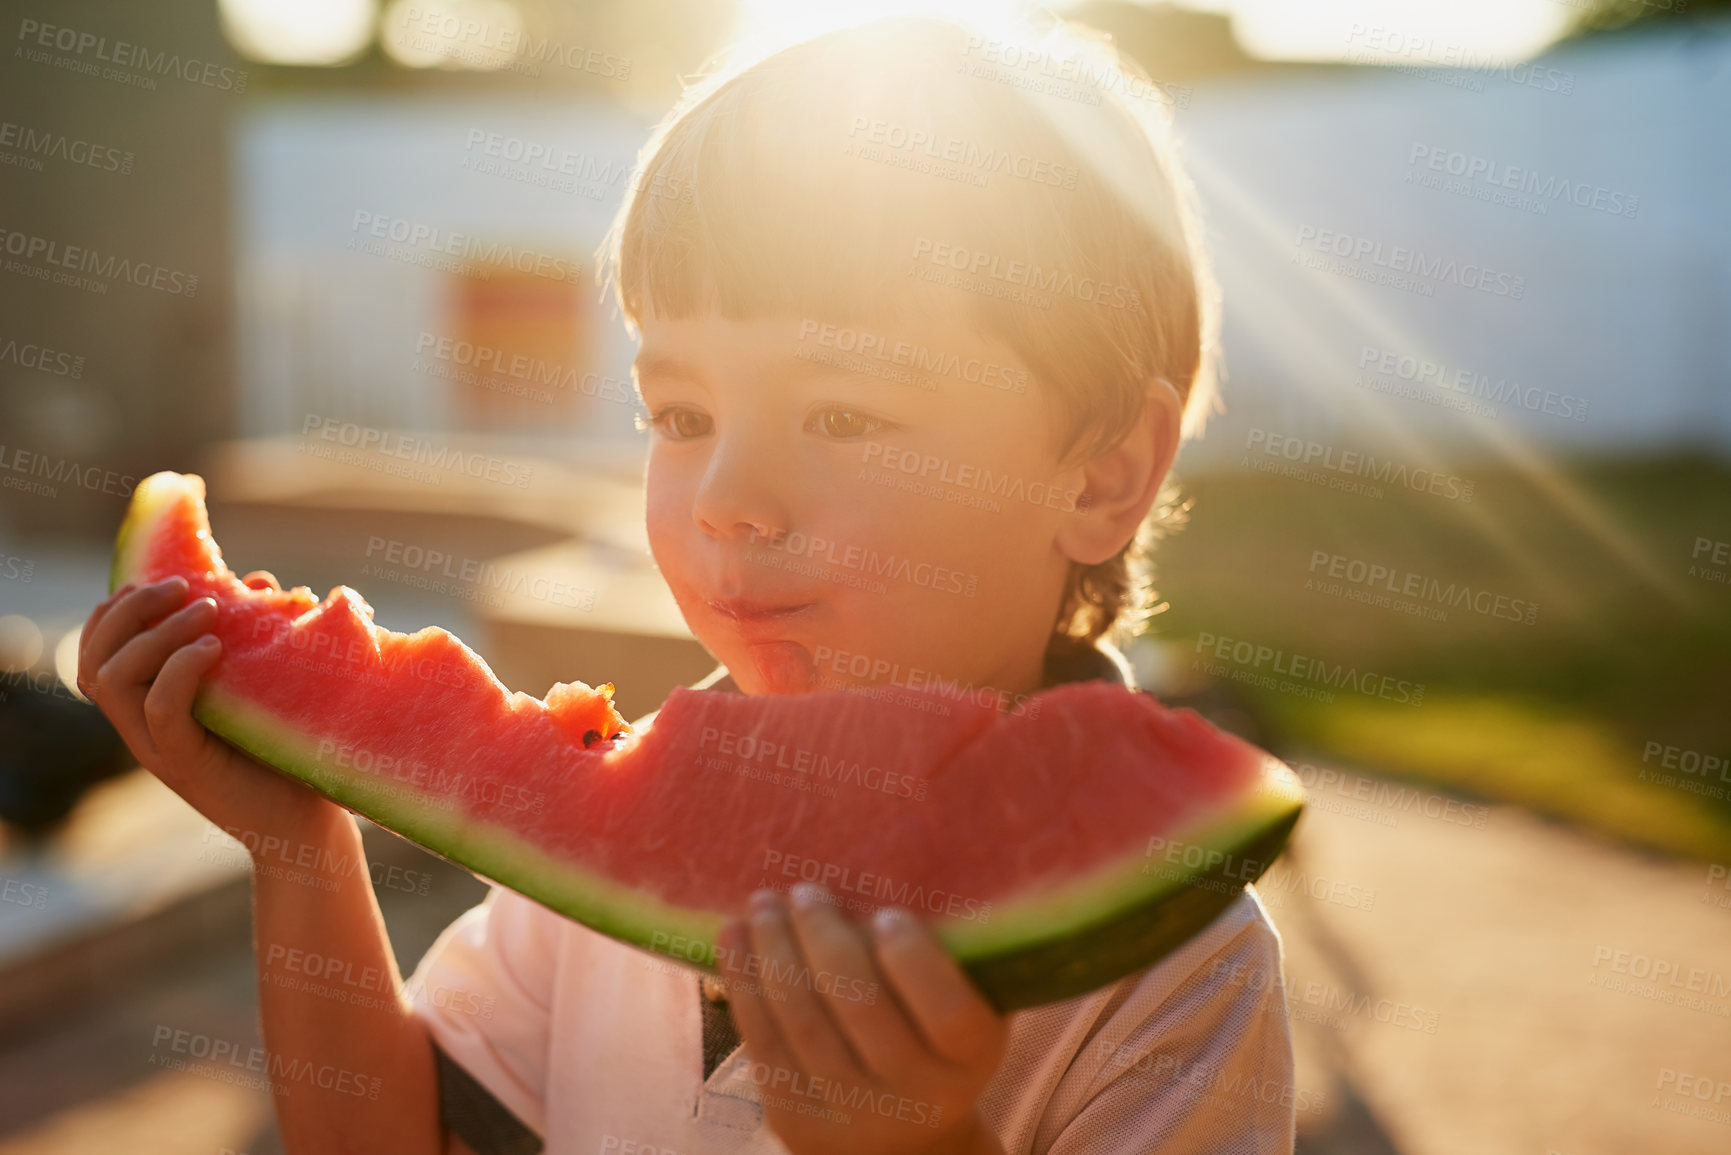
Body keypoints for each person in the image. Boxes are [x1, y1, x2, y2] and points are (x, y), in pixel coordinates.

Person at [79, 14, 1296, 1154]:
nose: (725, 496)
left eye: (842, 411)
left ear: (1101, 474)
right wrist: (301, 844)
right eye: (681, 411)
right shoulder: (610, 839)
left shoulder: (1182, 972)